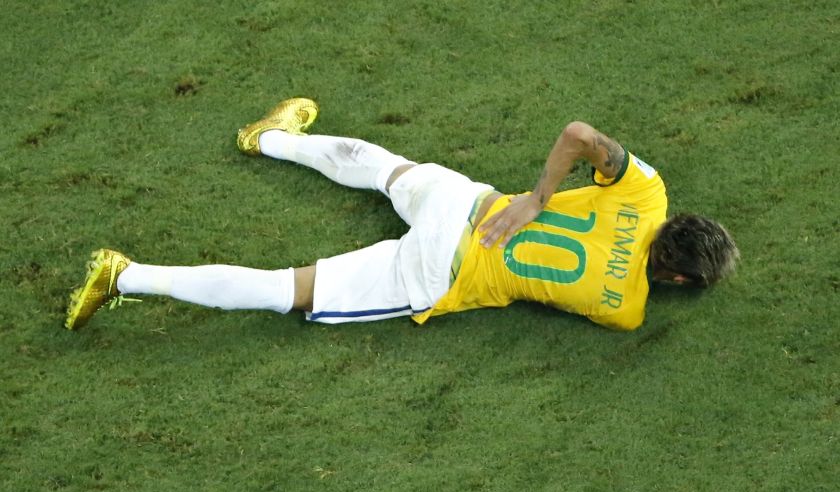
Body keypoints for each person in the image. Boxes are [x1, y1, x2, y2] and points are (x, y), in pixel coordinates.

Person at [65, 98, 739, 331]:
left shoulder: (646, 193)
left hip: (469, 205)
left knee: (385, 168)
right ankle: (122, 278)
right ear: (677, 279)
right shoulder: (625, 312)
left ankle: (268, 137)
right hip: (438, 275)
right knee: (287, 291)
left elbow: (578, 133)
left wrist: (535, 200)